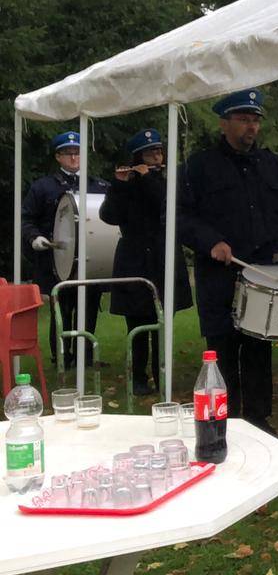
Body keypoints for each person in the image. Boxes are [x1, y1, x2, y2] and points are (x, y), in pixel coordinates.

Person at [178, 89, 278, 431]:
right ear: (224, 123)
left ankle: (258, 419)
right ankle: (225, 420)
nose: (250, 127)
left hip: (265, 271)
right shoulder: (199, 167)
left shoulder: (275, 166)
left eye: (254, 121)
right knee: (221, 350)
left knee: (258, 349)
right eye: (242, 120)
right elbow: (179, 216)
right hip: (221, 275)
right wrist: (211, 242)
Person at [99, 129, 193, 395]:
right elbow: (109, 215)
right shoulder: (126, 185)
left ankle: (161, 373)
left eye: (159, 151)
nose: (156, 156)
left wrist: (150, 178)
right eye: (151, 152)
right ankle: (139, 378)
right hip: (134, 259)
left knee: (163, 323)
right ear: (138, 156)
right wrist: (120, 184)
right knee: (138, 323)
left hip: (164, 258)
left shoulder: (167, 180)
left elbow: (166, 204)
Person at [21, 130, 110, 368]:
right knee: (62, 310)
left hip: (90, 259)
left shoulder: (99, 186)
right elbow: (26, 219)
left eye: (77, 153)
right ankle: (62, 356)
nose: (73, 158)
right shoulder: (43, 187)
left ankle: (86, 355)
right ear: (58, 157)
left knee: (89, 307)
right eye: (67, 153)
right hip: (56, 260)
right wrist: (35, 237)